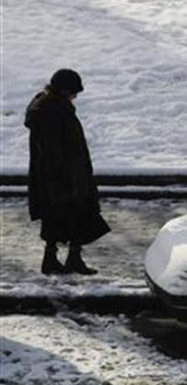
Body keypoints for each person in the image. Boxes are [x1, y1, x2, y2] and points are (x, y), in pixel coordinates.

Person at [24, 69, 110, 275]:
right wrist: (67, 179)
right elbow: (55, 150)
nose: (75, 97)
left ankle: (55, 259)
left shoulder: (50, 108)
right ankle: (69, 259)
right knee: (78, 215)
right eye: (73, 92)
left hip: (60, 177)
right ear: (64, 91)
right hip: (65, 178)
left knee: (57, 219)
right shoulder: (53, 111)